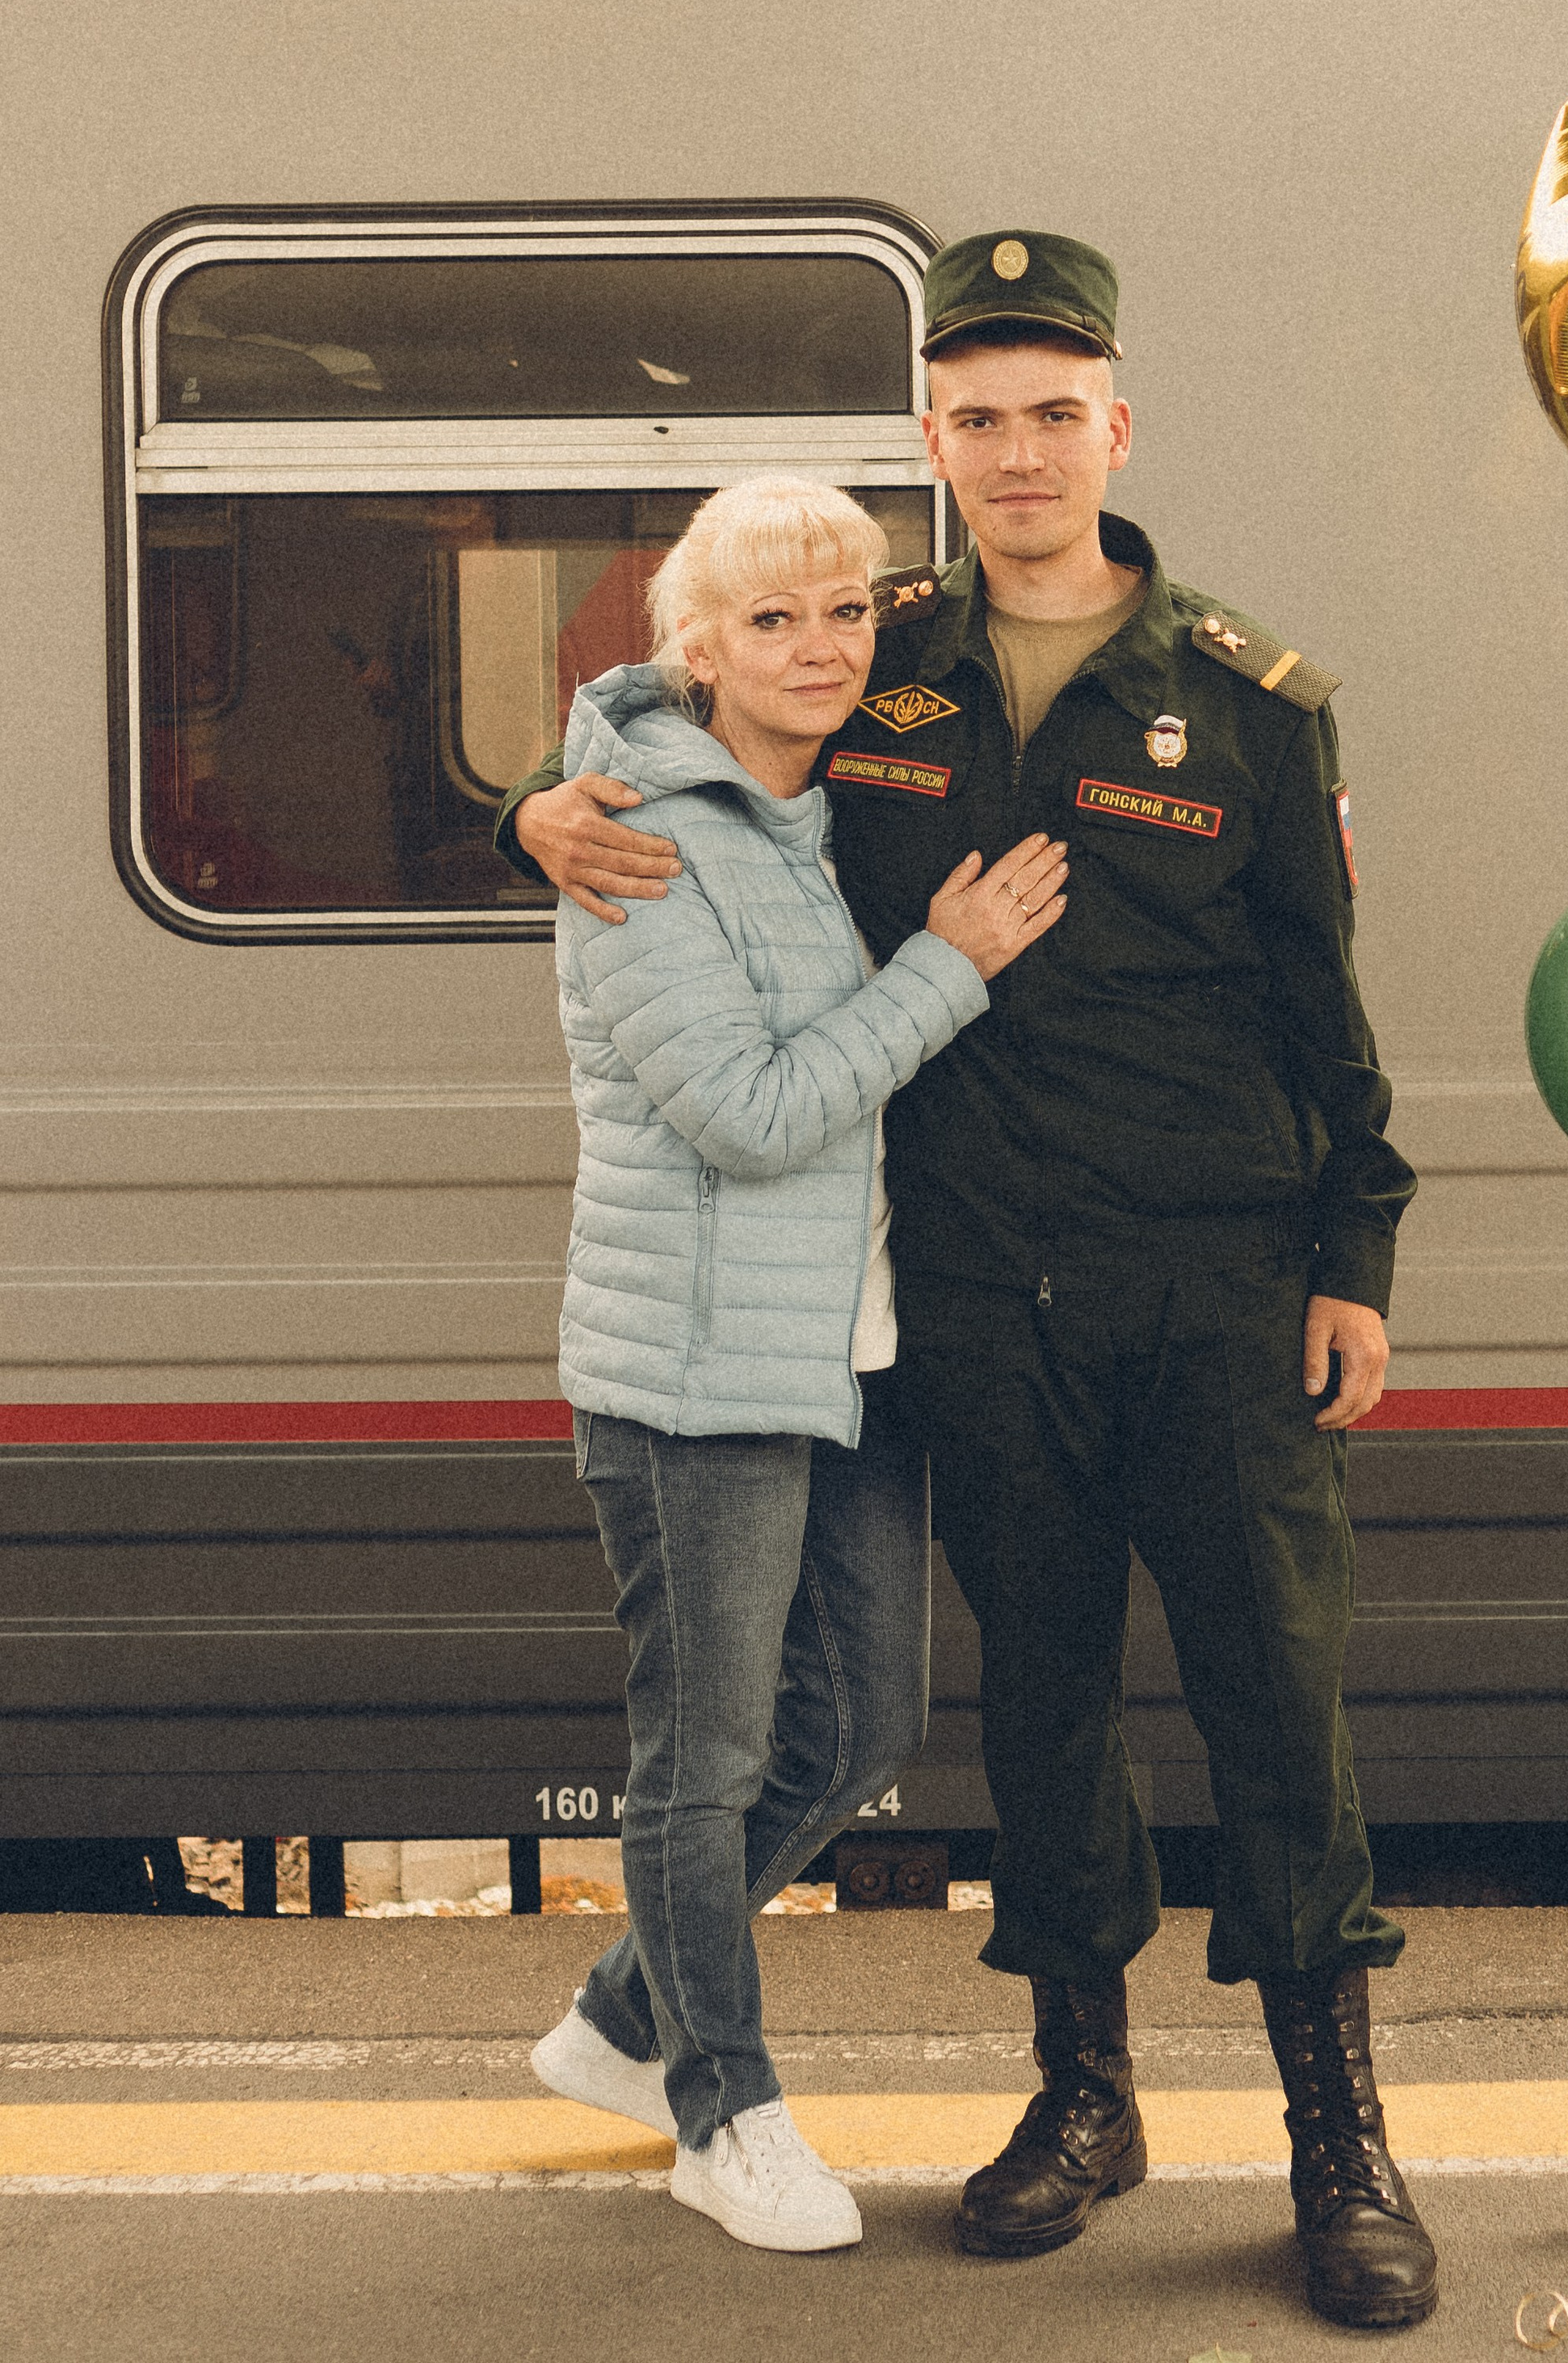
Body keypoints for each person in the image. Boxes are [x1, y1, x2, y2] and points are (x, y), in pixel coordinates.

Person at [502, 240, 1436, 2332]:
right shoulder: (875, 657)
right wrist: (528, 814)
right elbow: (668, 719)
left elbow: (1322, 1006)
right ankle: (1084, 2102)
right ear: (934, 443)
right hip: (973, 1302)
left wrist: (1352, 1257)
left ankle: (1339, 2141)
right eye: (977, 414)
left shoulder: (1253, 697)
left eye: (1055, 407)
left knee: (1279, 1708)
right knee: (1040, 1715)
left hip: (1211, 1284)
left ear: (1119, 424)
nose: (1018, 450)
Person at [525, 471, 1067, 2256]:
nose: (820, 645)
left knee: (858, 1725)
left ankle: (618, 2020)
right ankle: (720, 2112)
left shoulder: (819, 809)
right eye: (772, 619)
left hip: (845, 1353)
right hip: (692, 1375)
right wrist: (949, 966)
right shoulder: (632, 841)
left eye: (845, 610)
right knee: (704, 1756)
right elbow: (750, 1117)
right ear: (697, 647)